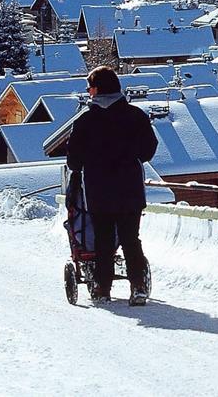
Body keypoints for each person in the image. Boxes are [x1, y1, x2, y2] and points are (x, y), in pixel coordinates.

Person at [66, 66, 158, 305]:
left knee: (104, 241)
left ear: (97, 89)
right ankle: (138, 287)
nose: (88, 91)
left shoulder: (85, 122)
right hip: (130, 190)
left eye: (90, 87)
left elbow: (73, 161)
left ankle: (102, 288)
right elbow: (148, 150)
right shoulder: (135, 116)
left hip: (99, 191)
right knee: (130, 238)